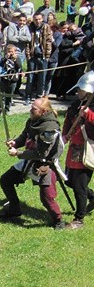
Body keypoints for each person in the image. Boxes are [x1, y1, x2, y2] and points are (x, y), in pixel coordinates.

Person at [0, 97, 66, 230]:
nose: (31, 110)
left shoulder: (49, 129)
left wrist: (18, 153)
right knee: (6, 180)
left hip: (45, 164)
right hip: (29, 161)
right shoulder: (33, 121)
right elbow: (25, 136)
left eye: (34, 109)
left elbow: (41, 154)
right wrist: (16, 143)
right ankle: (14, 209)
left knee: (47, 197)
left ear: (44, 111)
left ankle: (58, 220)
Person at [62, 71, 94, 229]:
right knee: (68, 180)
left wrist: (89, 115)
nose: (78, 92)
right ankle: (93, 197)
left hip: (87, 149)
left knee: (79, 186)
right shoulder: (75, 104)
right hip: (73, 148)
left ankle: (79, 219)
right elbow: (68, 121)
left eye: (81, 90)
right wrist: (64, 135)